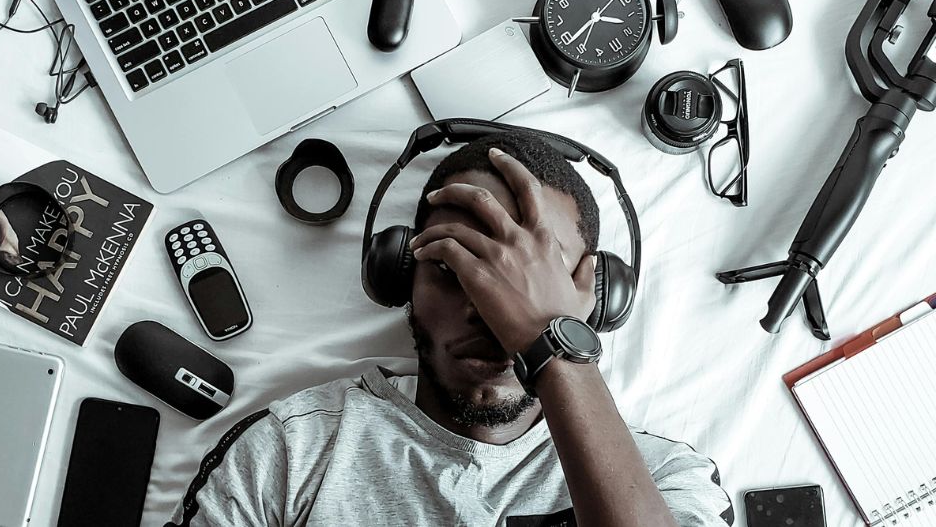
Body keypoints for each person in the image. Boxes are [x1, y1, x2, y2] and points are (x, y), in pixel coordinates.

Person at [169, 131, 733, 527]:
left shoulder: (668, 481)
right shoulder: (286, 454)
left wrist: (550, 344)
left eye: (536, 275)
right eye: (453, 268)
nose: (493, 311)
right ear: (400, 278)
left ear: (597, 294)